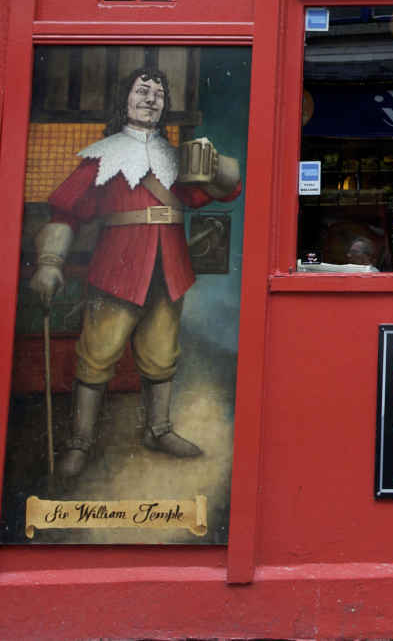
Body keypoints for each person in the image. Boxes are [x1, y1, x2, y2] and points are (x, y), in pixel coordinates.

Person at [29, 67, 242, 480]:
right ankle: (80, 440)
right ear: (125, 99)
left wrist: (217, 166)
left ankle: (158, 430)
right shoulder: (101, 155)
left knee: (162, 354)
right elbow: (65, 211)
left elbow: (214, 194)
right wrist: (50, 263)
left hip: (170, 267)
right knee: (97, 356)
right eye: (142, 90)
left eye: (158, 92)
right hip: (118, 269)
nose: (151, 98)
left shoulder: (174, 156)